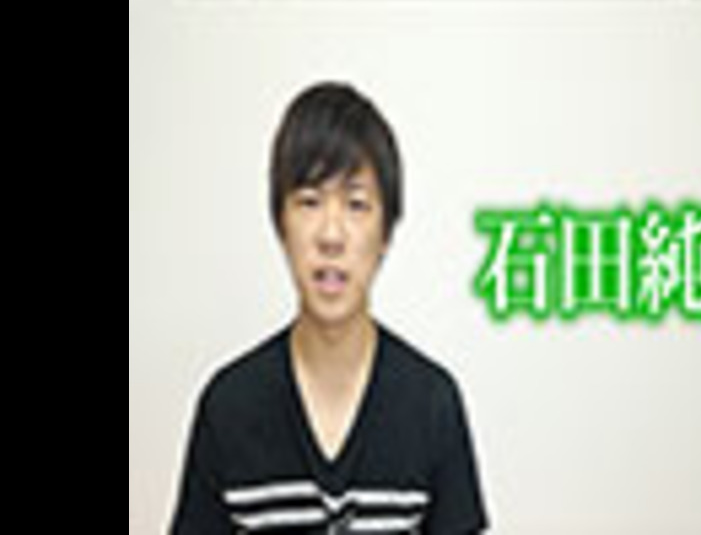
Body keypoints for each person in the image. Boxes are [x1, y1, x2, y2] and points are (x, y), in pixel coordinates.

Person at [170, 82, 489, 534]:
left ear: (386, 233)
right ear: (281, 225)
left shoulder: (432, 404)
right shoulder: (228, 408)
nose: (331, 235)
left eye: (356, 204)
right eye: (309, 202)